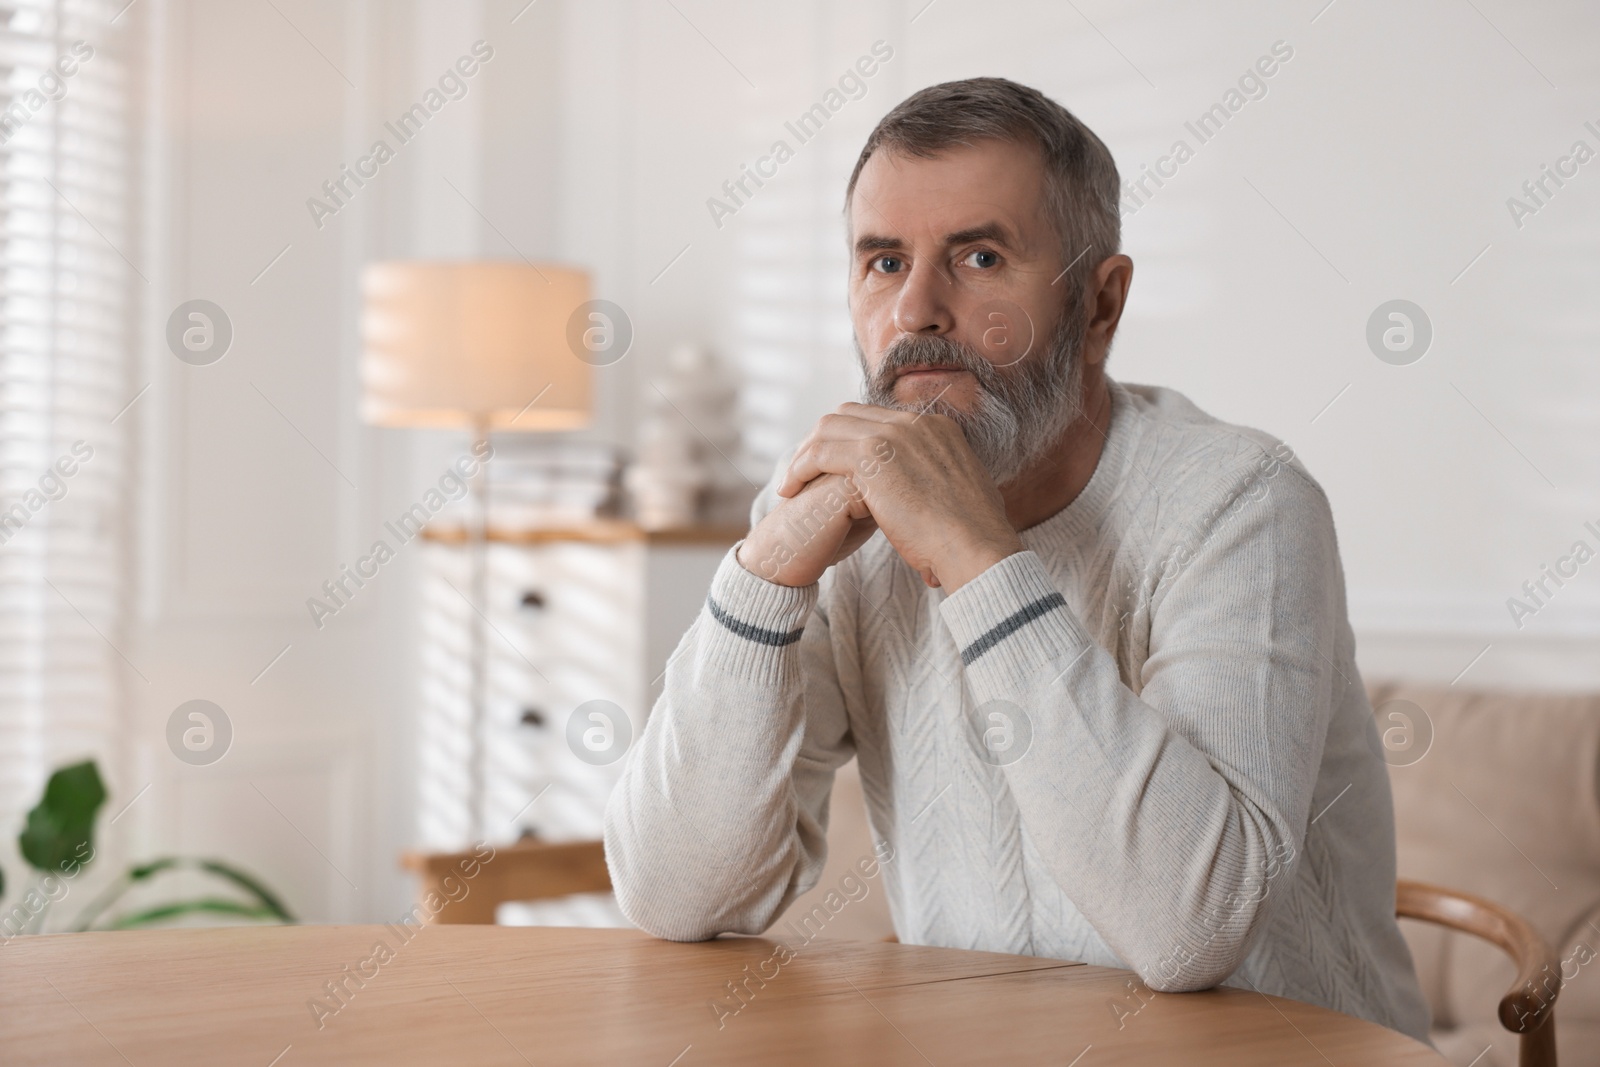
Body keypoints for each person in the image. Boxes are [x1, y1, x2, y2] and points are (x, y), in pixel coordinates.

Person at [604, 76, 1432, 1043]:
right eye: (882, 262)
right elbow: (673, 895)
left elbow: (1189, 928)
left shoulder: (1241, 503)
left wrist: (973, 551)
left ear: (1100, 305)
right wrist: (765, 575)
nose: (917, 309)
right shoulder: (827, 522)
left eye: (980, 256)